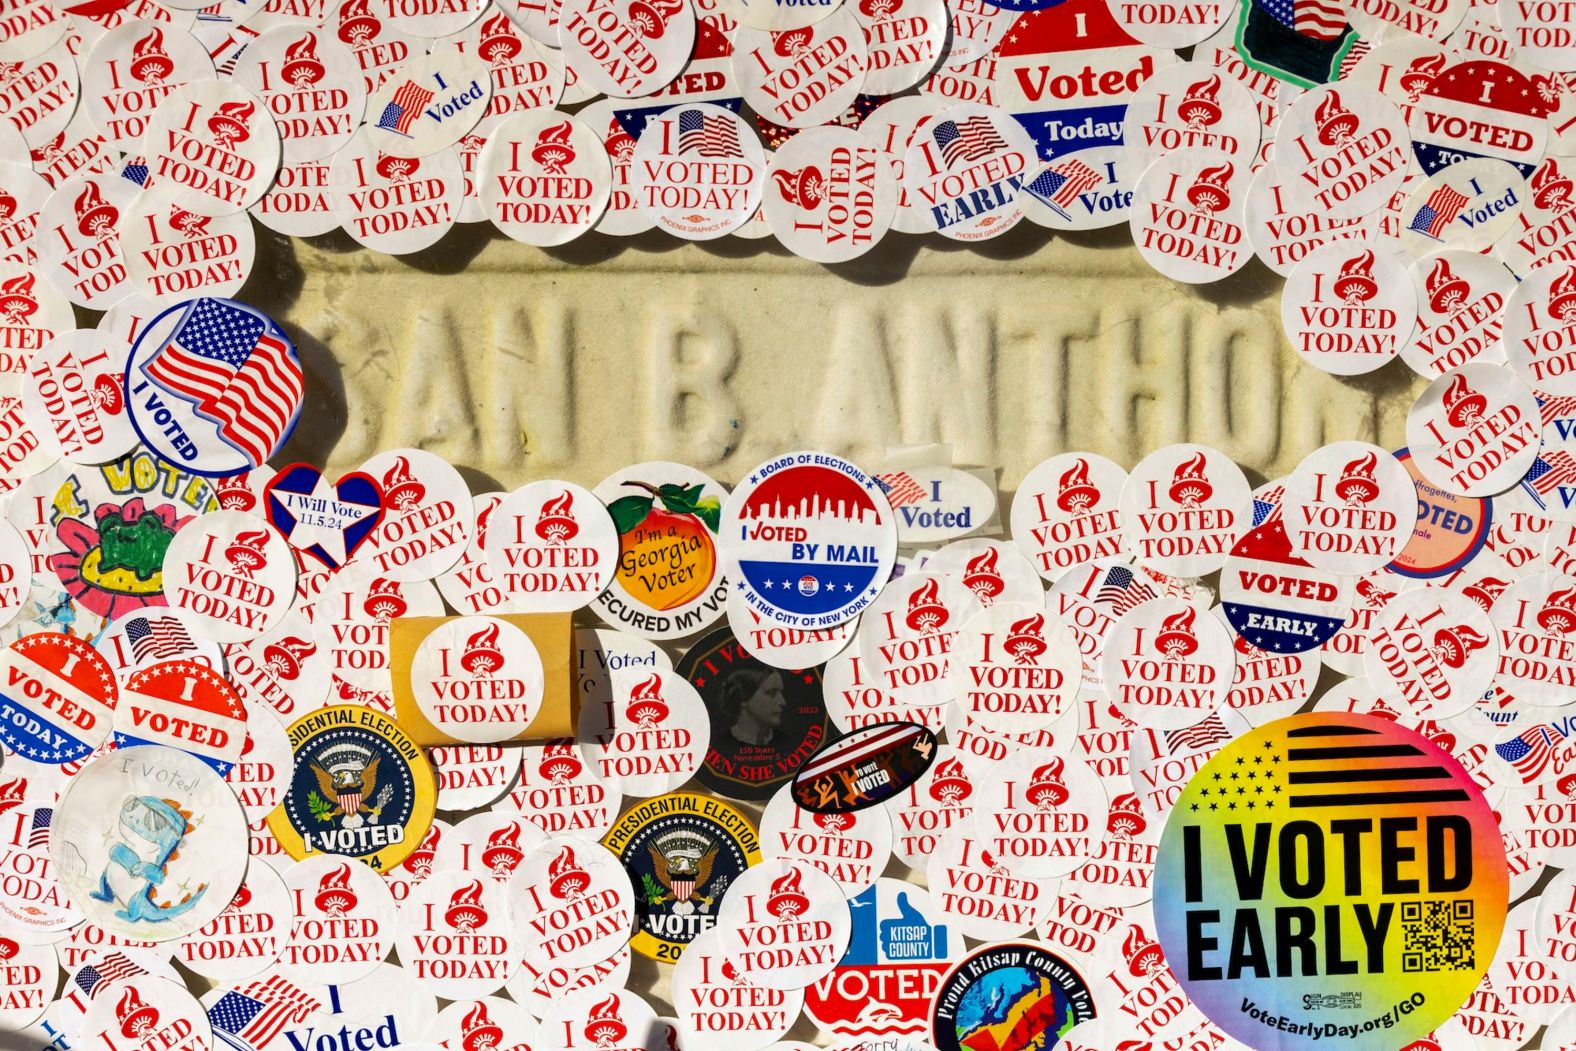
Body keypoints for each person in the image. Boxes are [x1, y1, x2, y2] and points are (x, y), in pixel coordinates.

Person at [722, 667, 787, 748]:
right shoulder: (722, 744)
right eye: (772, 692)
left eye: (780, 693)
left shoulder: (788, 744)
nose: (782, 702)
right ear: (744, 697)